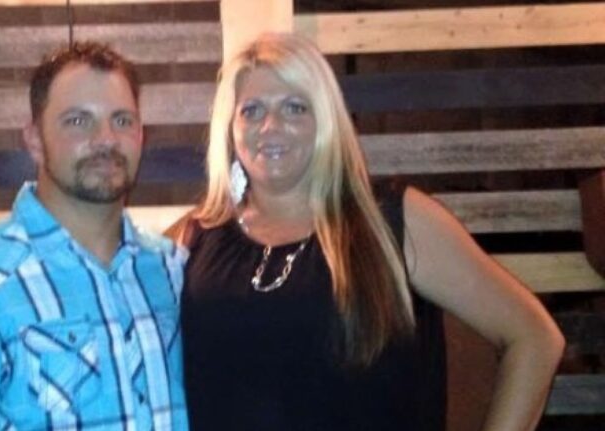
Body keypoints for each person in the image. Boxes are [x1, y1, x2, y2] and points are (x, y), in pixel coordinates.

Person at [168, 33, 564, 431]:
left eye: (295, 107)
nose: (271, 126)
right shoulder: (192, 240)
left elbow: (535, 338)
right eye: (251, 110)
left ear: (326, 120)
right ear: (229, 130)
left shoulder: (391, 222)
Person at [0, 41, 188, 431]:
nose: (105, 138)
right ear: (35, 140)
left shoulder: (169, 271)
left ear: (141, 137)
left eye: (122, 120)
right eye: (78, 120)